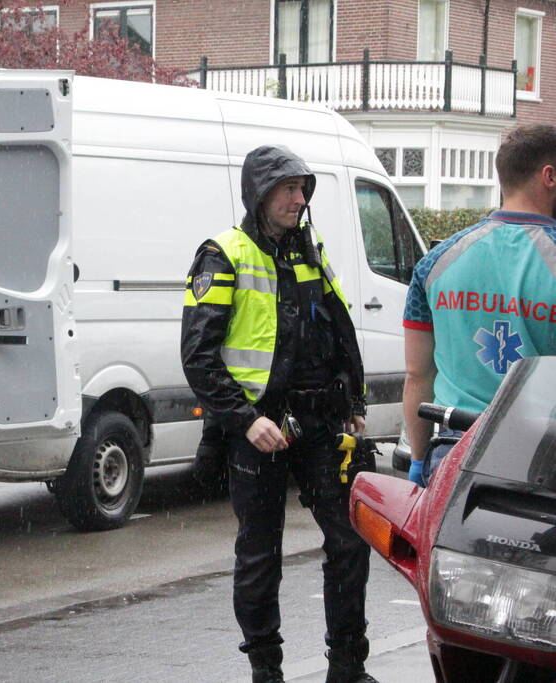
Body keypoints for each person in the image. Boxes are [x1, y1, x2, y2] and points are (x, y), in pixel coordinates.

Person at [181, 145, 376, 683]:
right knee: (261, 556)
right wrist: (244, 420)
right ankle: (266, 671)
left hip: (319, 425)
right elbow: (198, 356)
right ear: (260, 194)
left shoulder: (308, 250)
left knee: (348, 541)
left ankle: (347, 666)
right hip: (260, 429)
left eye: (302, 189)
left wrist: (352, 402)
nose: (298, 198)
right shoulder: (225, 254)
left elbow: (337, 325)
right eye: (288, 189)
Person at [403, 124, 556, 487]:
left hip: (453, 453)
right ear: (549, 176)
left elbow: (417, 375)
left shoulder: (435, 263)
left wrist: (418, 459)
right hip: (541, 461)